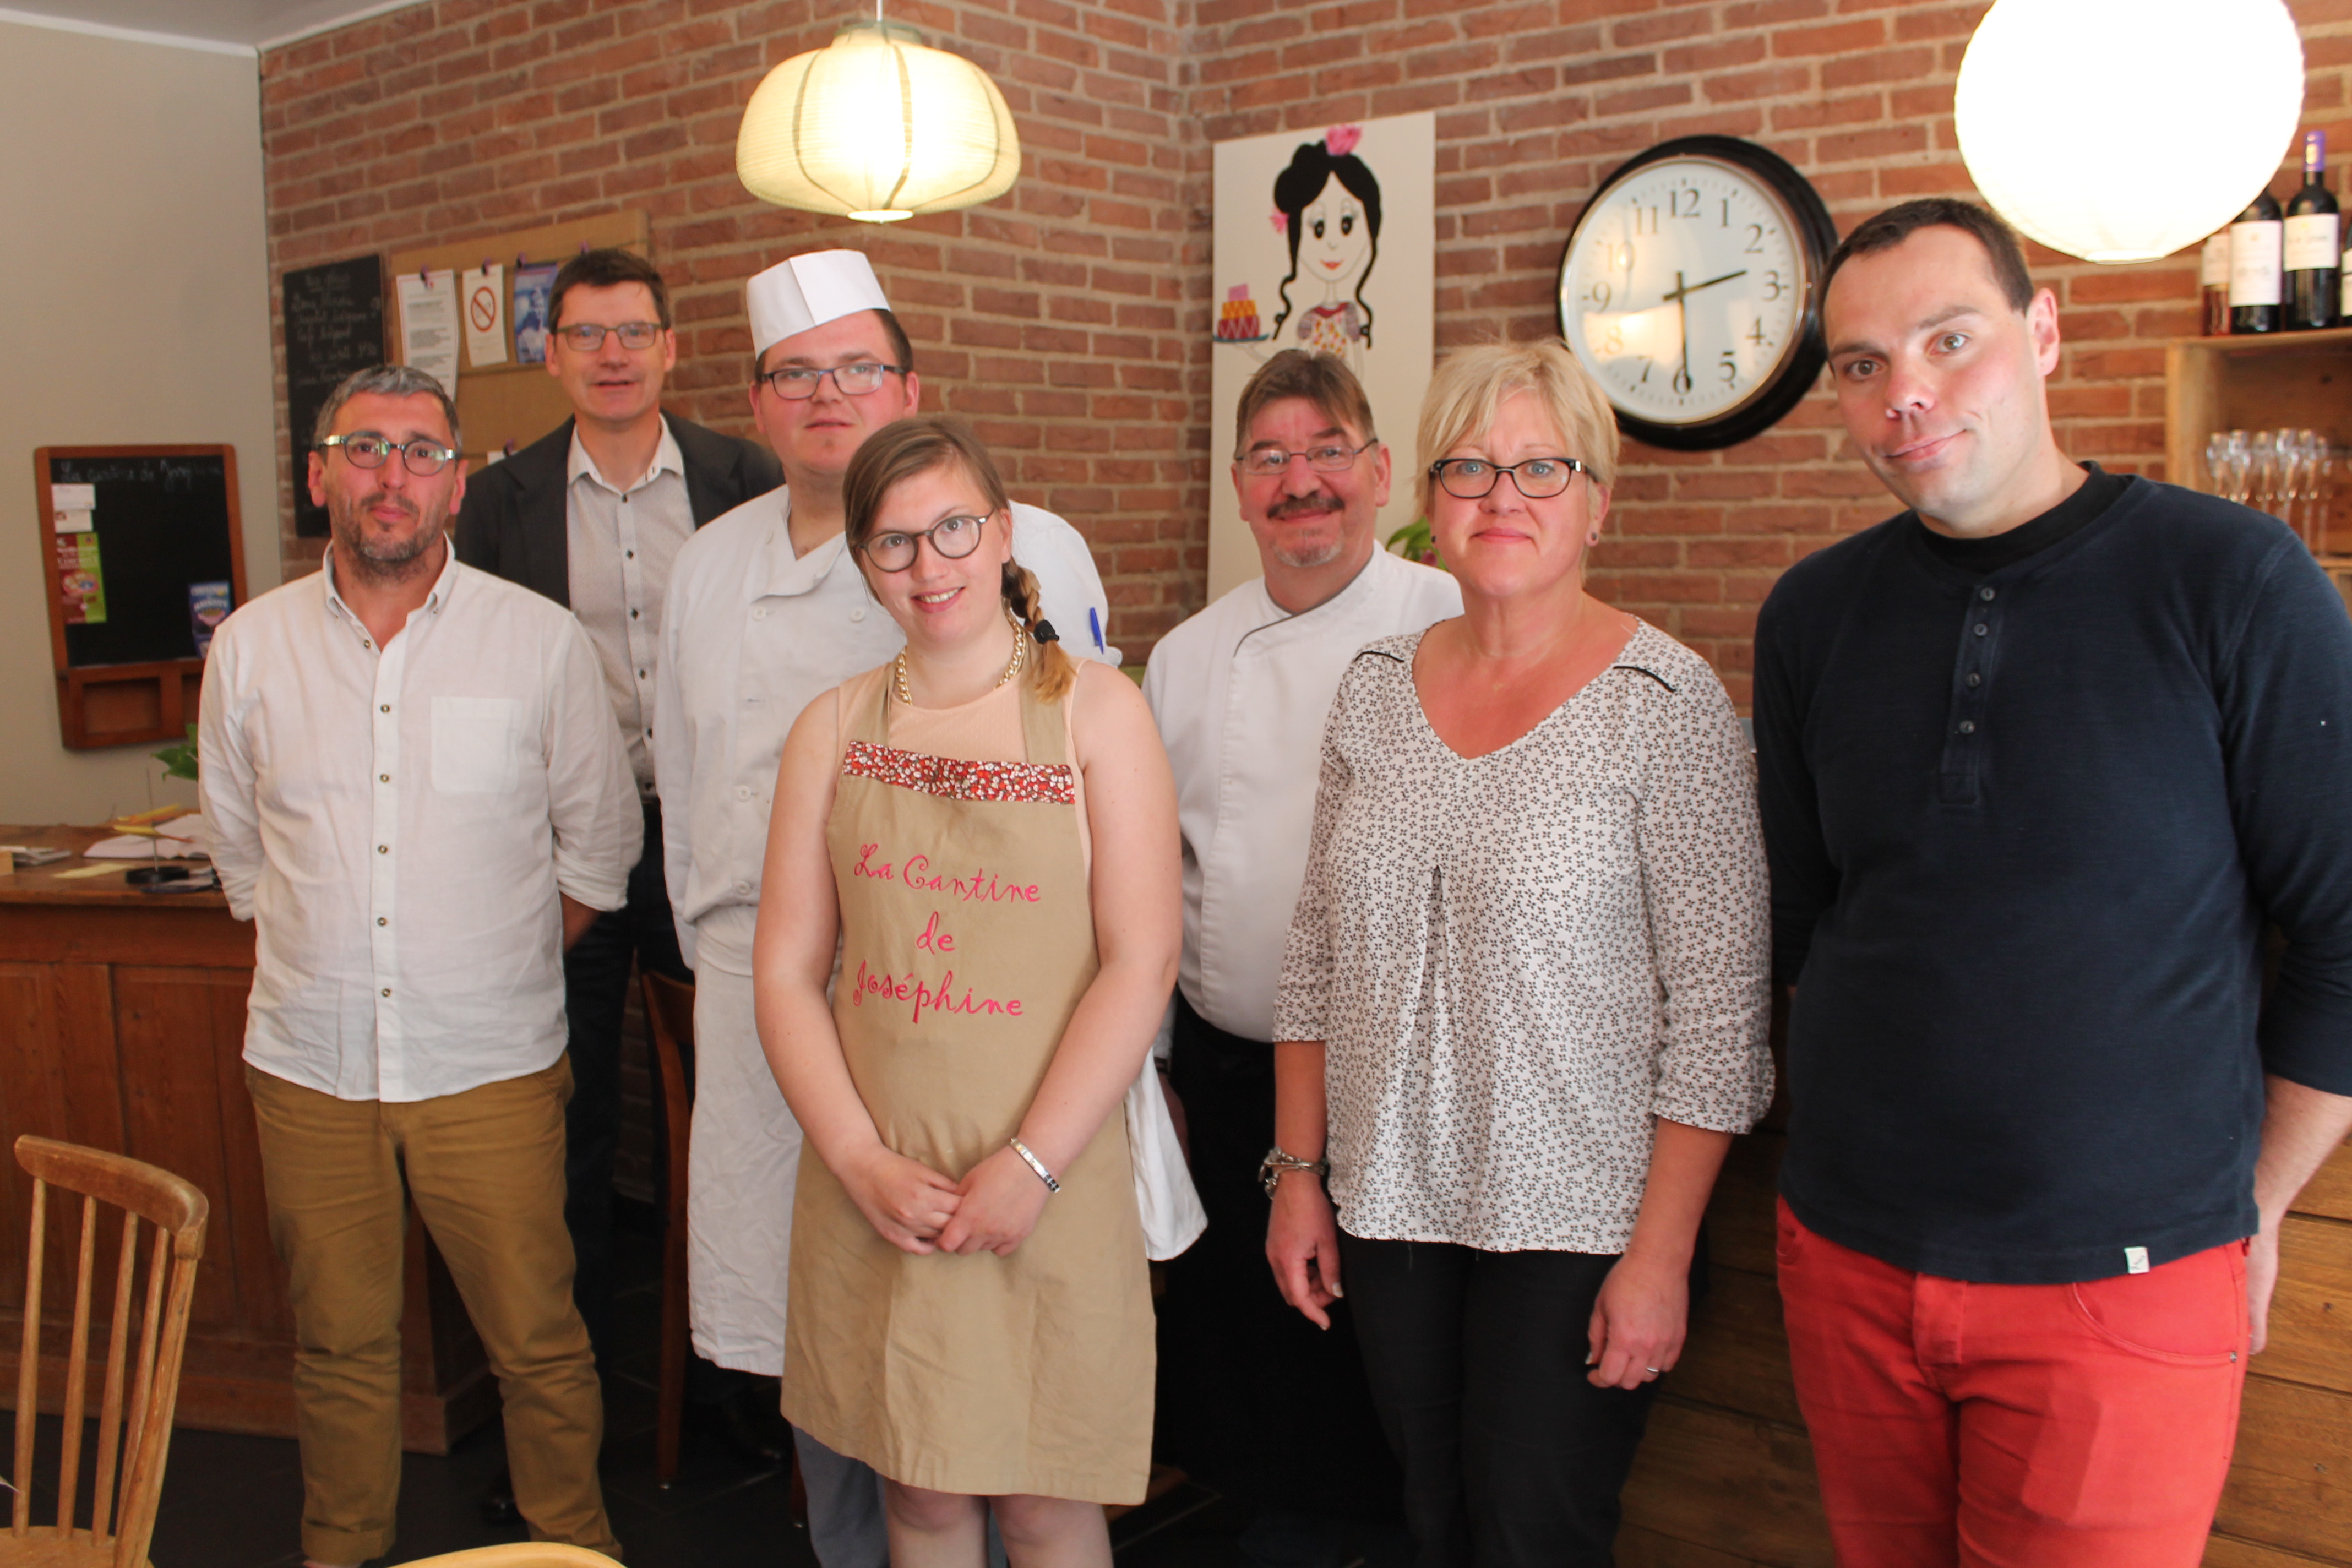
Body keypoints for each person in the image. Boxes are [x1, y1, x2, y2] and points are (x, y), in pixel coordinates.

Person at [1754, 198, 2352, 1567]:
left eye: (1948, 340)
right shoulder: (1812, 614)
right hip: (1848, 1255)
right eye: (1860, 365)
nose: (1907, 393)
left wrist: (2246, 1207)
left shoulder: (2234, 579)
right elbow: (1799, 922)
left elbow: (2344, 932)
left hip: (2127, 1281)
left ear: (2042, 333)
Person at [1269, 339, 1774, 1567]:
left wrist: (1660, 1259)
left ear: (1598, 499)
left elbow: (1719, 1012)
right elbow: (1317, 949)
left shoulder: (1669, 701)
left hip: (1581, 1218)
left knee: (1534, 1535)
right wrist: (1297, 1170)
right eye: (1470, 466)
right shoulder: (1375, 685)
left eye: (1542, 466)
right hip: (1391, 1202)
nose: (1504, 496)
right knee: (1434, 1520)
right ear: (1428, 504)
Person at [655, 249, 1115, 1566]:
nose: (827, 393)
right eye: (795, 373)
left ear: (910, 381)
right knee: (834, 1350)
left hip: (988, 1008)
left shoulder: (1034, 541)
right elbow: (688, 800)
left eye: (858, 365)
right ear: (755, 400)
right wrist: (731, 978)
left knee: (1005, 1388)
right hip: (778, 1003)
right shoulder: (708, 569)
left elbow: (1083, 812)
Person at [199, 364, 638, 1568]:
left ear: (459, 480)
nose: (393, 476)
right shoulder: (248, 649)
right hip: (311, 1067)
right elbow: (242, 855)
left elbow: (598, 854)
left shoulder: (536, 643)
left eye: (422, 453)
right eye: (366, 448)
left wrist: (479, 961)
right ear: (320, 473)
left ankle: (572, 1550)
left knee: (539, 1345)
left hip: (490, 1064)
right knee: (338, 1349)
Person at [753, 416, 1179, 1567]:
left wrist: (1031, 1161)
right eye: (894, 544)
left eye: (951, 528)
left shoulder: (1099, 712)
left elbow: (1142, 959)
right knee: (923, 1490)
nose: (929, 565)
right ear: (862, 565)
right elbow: (787, 971)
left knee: (1046, 1495)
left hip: (1052, 1172)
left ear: (1000, 531)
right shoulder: (829, 730)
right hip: (881, 1184)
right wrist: (858, 1160)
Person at [453, 247, 785, 1458]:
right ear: (553, 356)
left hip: (722, 830)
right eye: (586, 335)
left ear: (669, 347)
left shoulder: (743, 475)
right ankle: (576, 1394)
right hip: (574, 845)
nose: (611, 356)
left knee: (744, 1090)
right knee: (578, 1108)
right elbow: (478, 684)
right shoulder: (504, 501)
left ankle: (749, 1373)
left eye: (633, 332)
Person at [1144, 347, 1456, 1567]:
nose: (1301, 481)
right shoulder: (1186, 657)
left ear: (1379, 473)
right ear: (1237, 487)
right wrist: (1158, 1062)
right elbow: (1156, 878)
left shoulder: (1444, 623)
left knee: (1386, 1370)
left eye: (1328, 452)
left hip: (1398, 1079)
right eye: (1271, 457)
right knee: (1253, 1366)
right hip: (1230, 1068)